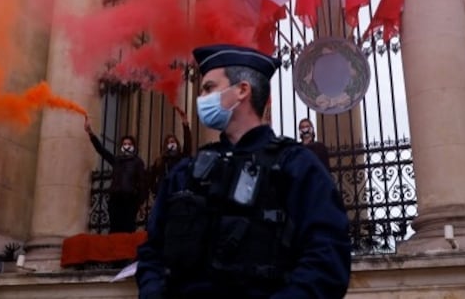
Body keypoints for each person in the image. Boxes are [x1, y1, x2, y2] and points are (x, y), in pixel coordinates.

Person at [137, 44, 351, 298]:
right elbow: (151, 253)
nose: (201, 98)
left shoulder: (297, 166)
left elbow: (327, 261)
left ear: (242, 90)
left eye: (209, 88)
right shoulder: (185, 173)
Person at [85, 115, 148, 233]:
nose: (127, 146)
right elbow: (102, 151)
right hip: (116, 198)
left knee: (128, 228)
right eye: (124, 144)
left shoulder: (137, 162)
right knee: (115, 228)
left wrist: (141, 202)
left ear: (133, 146)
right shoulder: (117, 160)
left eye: (129, 144)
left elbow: (142, 182)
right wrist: (91, 134)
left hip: (130, 199)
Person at [149, 105, 193, 195]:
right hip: (164, 192)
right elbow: (151, 176)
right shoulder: (160, 161)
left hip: (178, 191)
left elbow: (188, 145)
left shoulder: (181, 157)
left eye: (173, 142)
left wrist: (185, 124)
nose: (171, 144)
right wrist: (155, 190)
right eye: (169, 142)